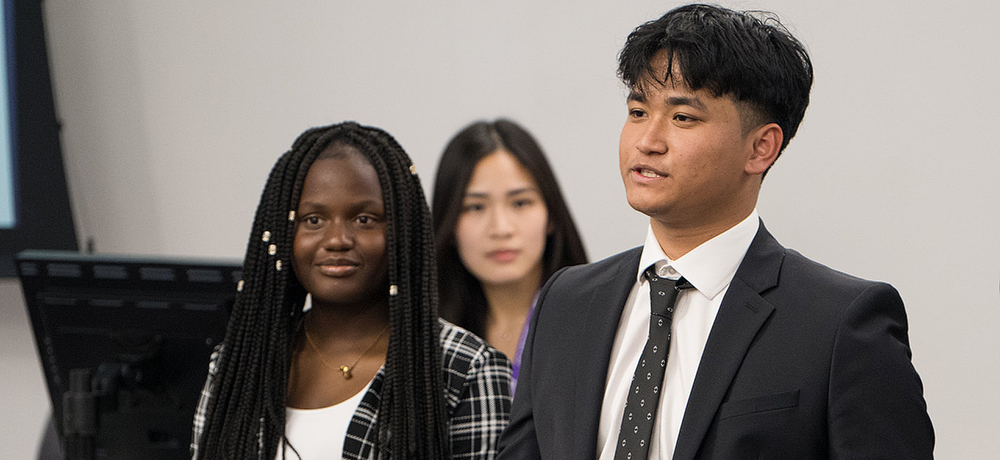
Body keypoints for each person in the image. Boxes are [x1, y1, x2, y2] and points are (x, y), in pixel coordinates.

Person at [496, 4, 933, 460]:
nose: (648, 140)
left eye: (682, 117)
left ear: (762, 147)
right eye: (638, 111)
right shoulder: (566, 302)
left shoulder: (840, 323)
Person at [191, 122, 511, 460]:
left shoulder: (466, 368)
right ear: (284, 234)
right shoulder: (237, 365)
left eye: (365, 219)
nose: (337, 240)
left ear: (401, 233)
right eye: (313, 220)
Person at [431, 119, 587, 393]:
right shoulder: (426, 338)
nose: (501, 228)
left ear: (551, 215)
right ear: (450, 224)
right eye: (475, 207)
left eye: (520, 202)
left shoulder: (596, 320)